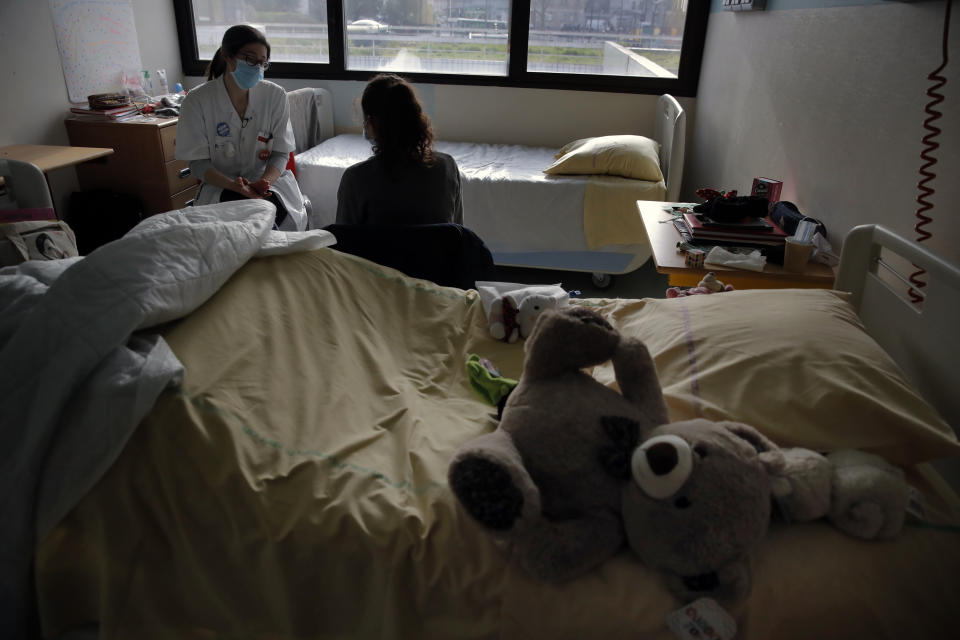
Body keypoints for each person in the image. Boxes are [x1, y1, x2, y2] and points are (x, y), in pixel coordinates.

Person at [175, 24, 306, 231]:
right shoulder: (197, 101)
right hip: (221, 187)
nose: (256, 67)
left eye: (262, 63)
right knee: (230, 232)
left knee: (274, 224)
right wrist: (234, 185)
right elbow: (198, 164)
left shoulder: (275, 96)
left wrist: (264, 182)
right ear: (228, 56)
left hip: (269, 185)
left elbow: (281, 153)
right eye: (250, 59)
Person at [335, 74, 463, 226]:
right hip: (434, 250)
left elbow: (343, 242)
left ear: (370, 124)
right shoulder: (447, 168)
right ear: (417, 117)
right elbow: (457, 236)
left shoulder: (355, 179)